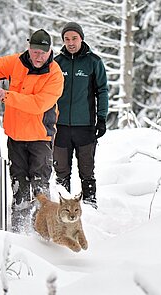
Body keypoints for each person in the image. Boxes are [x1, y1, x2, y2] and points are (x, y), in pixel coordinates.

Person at [0, 29, 64, 233]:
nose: (38, 57)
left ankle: (45, 231)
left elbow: (38, 104)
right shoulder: (17, 62)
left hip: (40, 137)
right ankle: (19, 232)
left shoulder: (55, 74)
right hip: (15, 137)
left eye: (43, 53)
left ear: (50, 51)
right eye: (35, 51)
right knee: (18, 185)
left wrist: (7, 96)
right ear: (29, 48)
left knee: (40, 185)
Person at [53, 22, 109, 209]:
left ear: (81, 38)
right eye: (67, 39)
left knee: (86, 171)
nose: (70, 42)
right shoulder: (56, 63)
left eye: (74, 38)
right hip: (59, 127)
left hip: (85, 127)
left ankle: (90, 206)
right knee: (61, 173)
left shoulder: (94, 62)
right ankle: (64, 208)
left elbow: (102, 91)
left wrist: (101, 118)